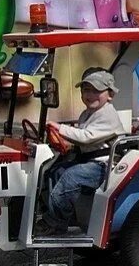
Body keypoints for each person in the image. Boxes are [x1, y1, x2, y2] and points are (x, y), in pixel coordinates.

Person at [35, 68, 127, 236]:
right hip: (90, 160)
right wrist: (63, 141)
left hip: (105, 165)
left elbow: (86, 137)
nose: (89, 95)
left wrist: (59, 128)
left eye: (96, 91)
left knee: (71, 177)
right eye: (86, 90)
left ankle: (54, 222)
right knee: (55, 171)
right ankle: (63, 218)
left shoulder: (107, 114)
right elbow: (82, 139)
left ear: (110, 94)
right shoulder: (88, 113)